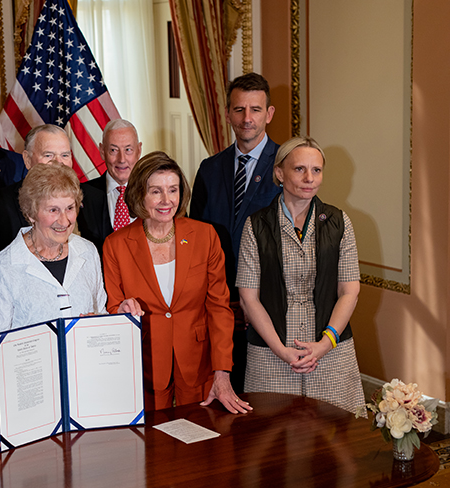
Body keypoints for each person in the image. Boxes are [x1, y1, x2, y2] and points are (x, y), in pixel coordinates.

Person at [0, 161, 142, 452]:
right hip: (32, 399)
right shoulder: (7, 263)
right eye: (52, 209)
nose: (64, 220)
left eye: (70, 208)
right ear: (31, 212)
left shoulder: (88, 251)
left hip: (87, 393)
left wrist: (121, 317)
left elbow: (98, 315)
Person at [103, 151, 250, 413]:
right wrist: (121, 310)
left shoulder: (206, 236)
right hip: (143, 370)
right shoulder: (115, 246)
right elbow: (113, 308)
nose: (166, 200)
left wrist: (223, 373)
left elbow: (219, 309)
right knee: (151, 450)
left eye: (173, 190)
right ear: (139, 194)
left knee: (202, 446)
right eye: (156, 191)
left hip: (199, 367)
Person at [237, 136, 363, 413]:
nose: (309, 178)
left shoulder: (339, 222)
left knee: (335, 441)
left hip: (330, 353)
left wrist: (324, 344)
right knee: (272, 444)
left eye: (316, 170)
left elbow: (349, 292)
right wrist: (281, 350)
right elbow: (248, 299)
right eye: (299, 169)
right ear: (279, 173)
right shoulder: (255, 225)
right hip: (271, 354)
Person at [189, 72, 282, 393]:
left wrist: (251, 297)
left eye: (255, 110)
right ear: (227, 113)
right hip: (217, 302)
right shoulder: (209, 169)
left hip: (267, 304)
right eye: (239, 109)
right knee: (221, 391)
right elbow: (194, 239)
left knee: (263, 400)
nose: (247, 119)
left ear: (269, 114)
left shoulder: (287, 168)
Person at [0, 124, 73, 252]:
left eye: (65, 155)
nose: (58, 163)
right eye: (48, 155)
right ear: (27, 159)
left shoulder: (89, 200)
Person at [78, 119, 142, 254]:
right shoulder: (81, 196)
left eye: (128, 150)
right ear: (102, 151)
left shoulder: (156, 193)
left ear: (139, 150)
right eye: (113, 150)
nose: (122, 159)